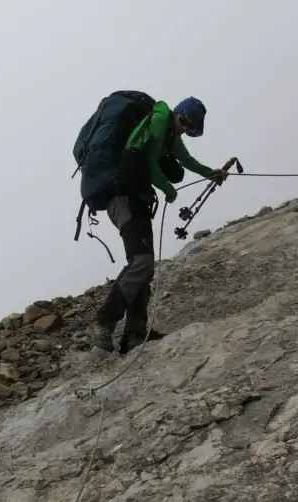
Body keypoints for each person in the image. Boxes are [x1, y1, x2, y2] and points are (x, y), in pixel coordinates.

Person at [88, 97, 227, 353]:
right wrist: (168, 190)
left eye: (189, 128)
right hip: (123, 197)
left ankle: (134, 336)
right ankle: (102, 322)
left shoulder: (170, 135)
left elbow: (188, 162)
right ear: (178, 113)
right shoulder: (159, 121)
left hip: (136, 199)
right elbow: (149, 164)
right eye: (184, 122)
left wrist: (213, 173)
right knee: (142, 262)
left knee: (144, 264)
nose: (184, 129)